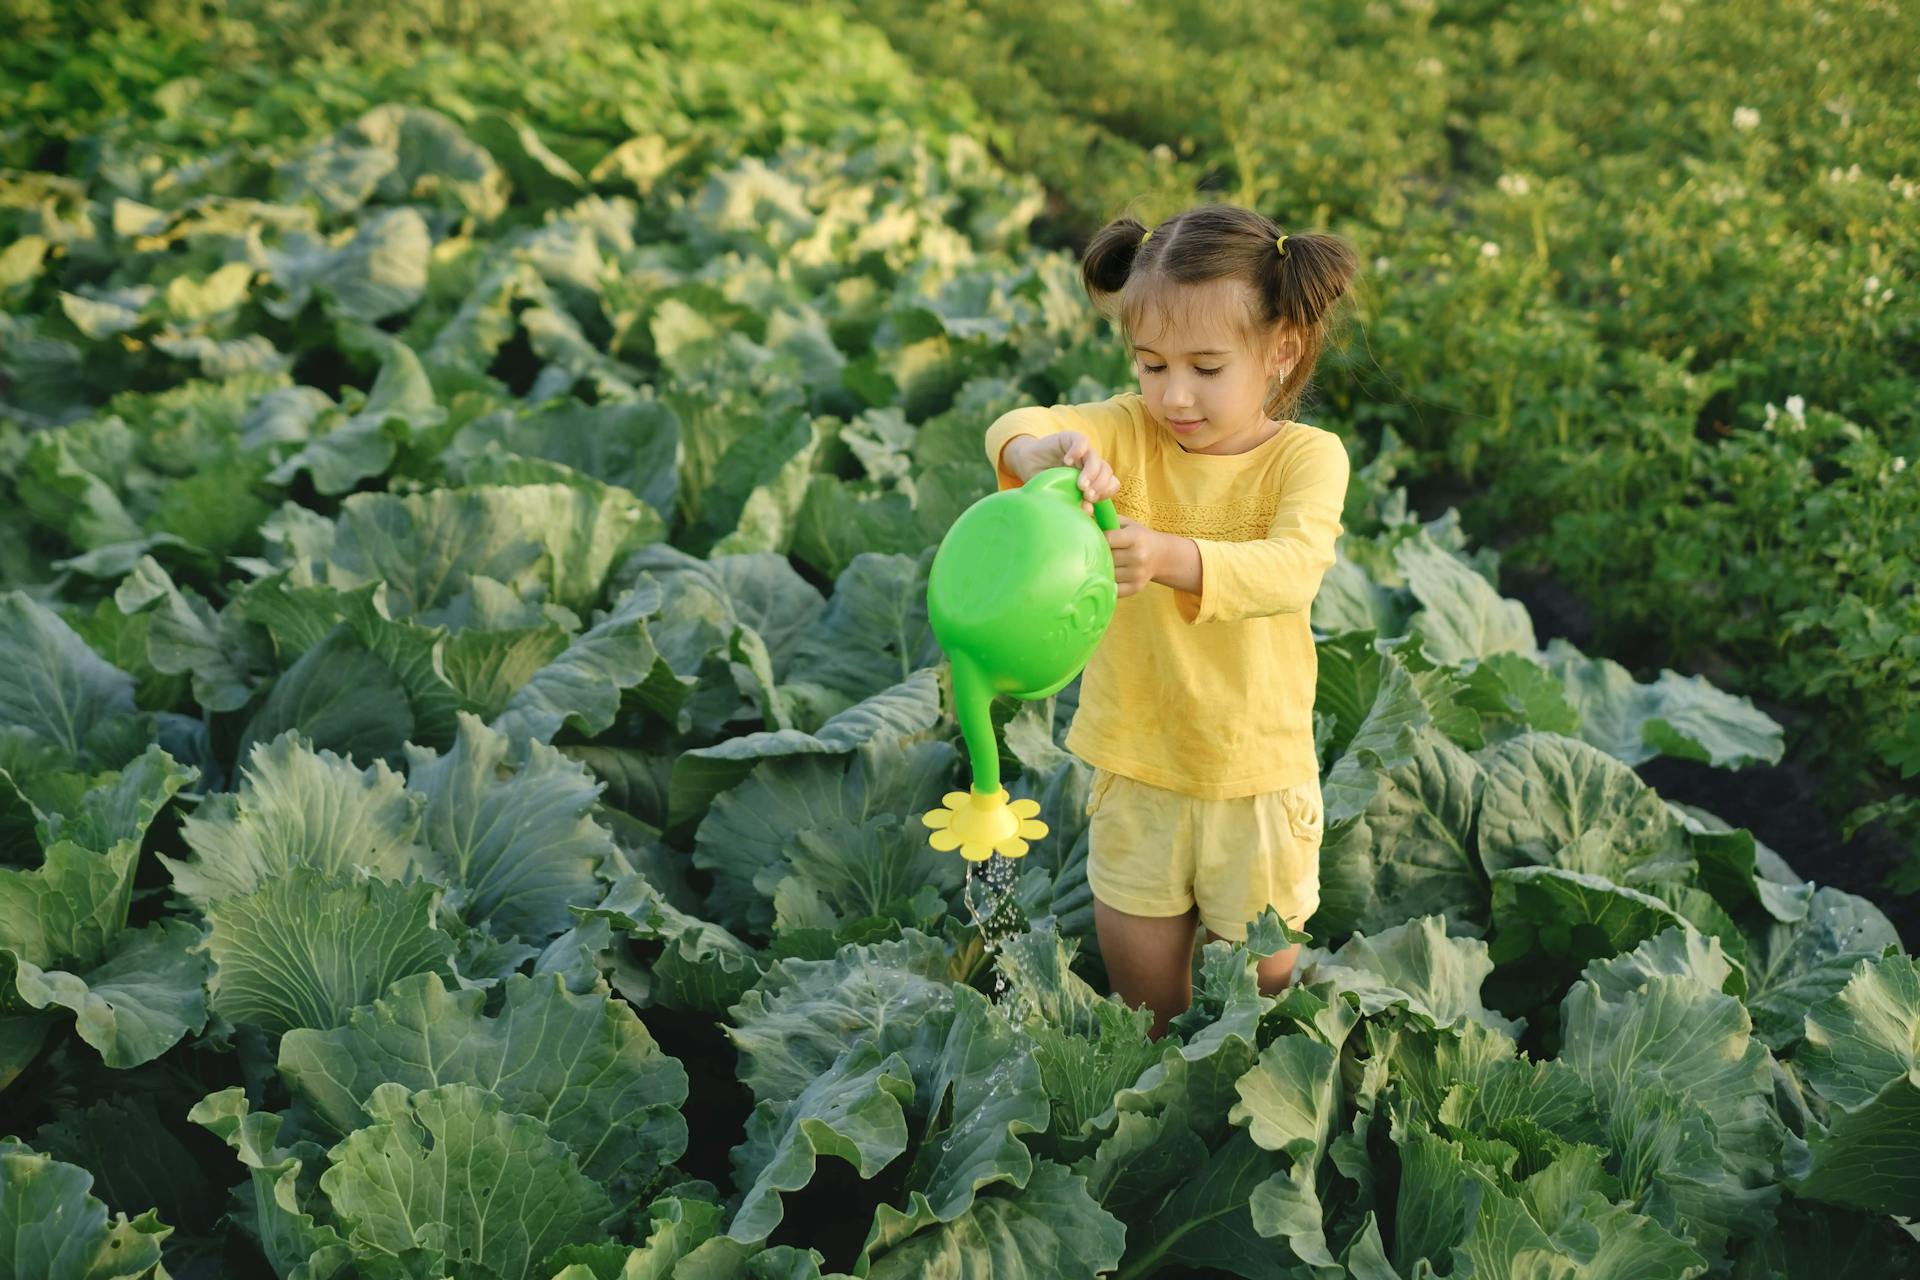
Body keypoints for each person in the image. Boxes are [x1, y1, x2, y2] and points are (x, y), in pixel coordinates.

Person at [982, 203, 1358, 1039]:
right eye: (1151, 364)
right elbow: (1019, 427)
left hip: (1255, 778)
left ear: (1281, 352)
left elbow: (1294, 569)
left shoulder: (1306, 458)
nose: (1174, 394)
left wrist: (1172, 557)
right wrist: (1035, 453)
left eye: (1206, 367)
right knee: (1147, 1004)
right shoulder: (1128, 430)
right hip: (1137, 763)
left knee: (1255, 996)